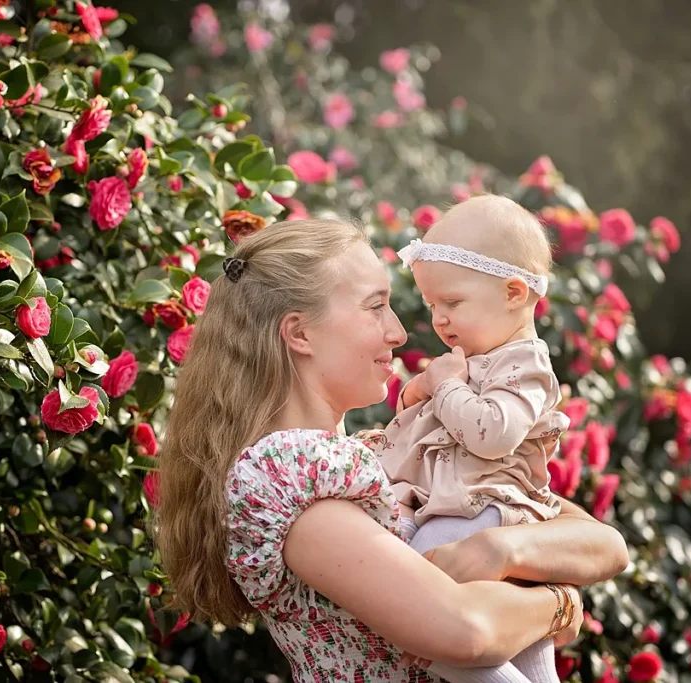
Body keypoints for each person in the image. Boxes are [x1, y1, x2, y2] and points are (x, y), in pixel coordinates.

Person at [156, 218, 628, 682]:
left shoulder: (370, 461)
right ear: (300, 334)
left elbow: (604, 543)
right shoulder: (289, 482)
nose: (400, 332)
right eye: (375, 307)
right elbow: (465, 630)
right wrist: (558, 603)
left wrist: (500, 548)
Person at [368, 195, 571, 683]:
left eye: (453, 303)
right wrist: (421, 396)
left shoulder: (525, 364)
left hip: (482, 513)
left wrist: (445, 388)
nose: (438, 319)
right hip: (461, 508)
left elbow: (491, 434)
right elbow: (422, 438)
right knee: (526, 653)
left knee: (414, 619)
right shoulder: (476, 363)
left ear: (513, 293)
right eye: (434, 305)